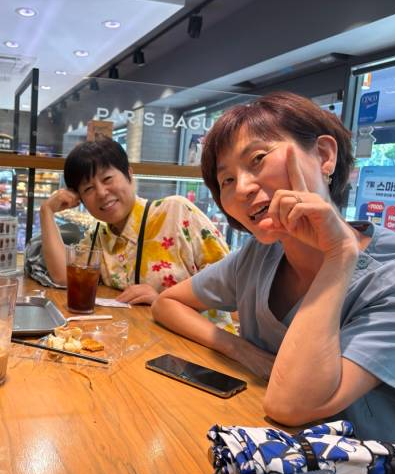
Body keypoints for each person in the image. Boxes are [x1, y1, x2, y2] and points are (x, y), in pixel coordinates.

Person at [152, 91, 395, 441]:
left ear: (324, 155)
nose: (242, 189)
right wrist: (242, 350)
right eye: (227, 180)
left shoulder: (385, 277)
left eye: (258, 158)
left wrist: (339, 255)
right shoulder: (260, 255)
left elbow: (290, 406)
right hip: (255, 444)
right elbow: (167, 303)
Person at [40, 138, 235, 332]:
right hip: (137, 338)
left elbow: (232, 284)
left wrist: (164, 300)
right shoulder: (99, 235)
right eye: (88, 189)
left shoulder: (176, 212)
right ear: (80, 199)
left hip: (205, 342)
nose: (101, 193)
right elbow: (63, 277)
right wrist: (46, 211)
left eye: (107, 179)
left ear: (129, 174)